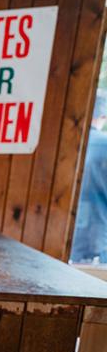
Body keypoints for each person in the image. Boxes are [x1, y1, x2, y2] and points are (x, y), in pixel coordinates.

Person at [70, 89, 107, 264]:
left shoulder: (68, 143)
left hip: (63, 241)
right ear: (103, 116)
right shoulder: (104, 145)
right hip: (97, 244)